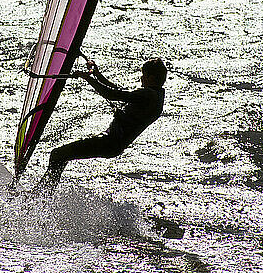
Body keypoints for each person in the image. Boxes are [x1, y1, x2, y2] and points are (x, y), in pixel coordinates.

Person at [34, 58, 167, 195]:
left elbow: (112, 94)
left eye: (143, 76)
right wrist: (97, 75)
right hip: (112, 144)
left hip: (109, 142)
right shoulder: (156, 96)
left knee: (58, 155)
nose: (141, 79)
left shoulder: (148, 95)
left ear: (151, 78)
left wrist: (88, 79)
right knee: (61, 156)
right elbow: (118, 90)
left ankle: (39, 197)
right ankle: (42, 195)